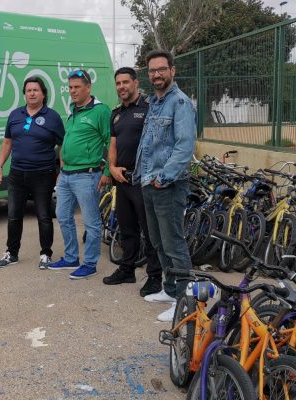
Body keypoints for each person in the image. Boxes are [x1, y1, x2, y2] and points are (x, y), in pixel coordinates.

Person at [133, 50, 196, 321]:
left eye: (161, 69)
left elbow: (184, 146)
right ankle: (170, 290)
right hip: (149, 181)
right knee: (158, 241)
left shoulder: (180, 103)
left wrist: (163, 178)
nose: (156, 74)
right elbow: (149, 144)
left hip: (167, 185)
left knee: (173, 242)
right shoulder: (155, 103)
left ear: (173, 70)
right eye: (152, 71)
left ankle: (184, 299)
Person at [102, 67, 162, 297]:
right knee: (127, 228)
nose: (121, 87)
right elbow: (113, 145)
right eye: (118, 83)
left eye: (125, 82)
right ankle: (127, 269)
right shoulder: (116, 113)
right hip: (122, 179)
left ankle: (155, 277)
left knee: (150, 230)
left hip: (143, 179)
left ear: (136, 83)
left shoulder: (149, 108)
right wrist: (112, 168)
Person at [0, 77, 65, 269]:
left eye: (36, 90)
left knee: (43, 215)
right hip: (17, 174)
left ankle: (46, 254)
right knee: (14, 215)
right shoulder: (15, 115)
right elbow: (7, 142)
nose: (32, 93)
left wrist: (63, 170)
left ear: (43, 94)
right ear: (24, 94)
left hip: (43, 174)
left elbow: (62, 145)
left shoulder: (52, 117)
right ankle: (11, 253)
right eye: (28, 90)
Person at [47, 69, 112, 279]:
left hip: (87, 175)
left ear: (88, 87)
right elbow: (68, 140)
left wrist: (108, 170)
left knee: (91, 222)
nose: (72, 91)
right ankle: (71, 257)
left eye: (77, 87)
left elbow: (111, 142)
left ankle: (90, 263)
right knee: (63, 216)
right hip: (66, 175)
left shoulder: (101, 111)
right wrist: (62, 167)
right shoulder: (73, 109)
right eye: (70, 87)